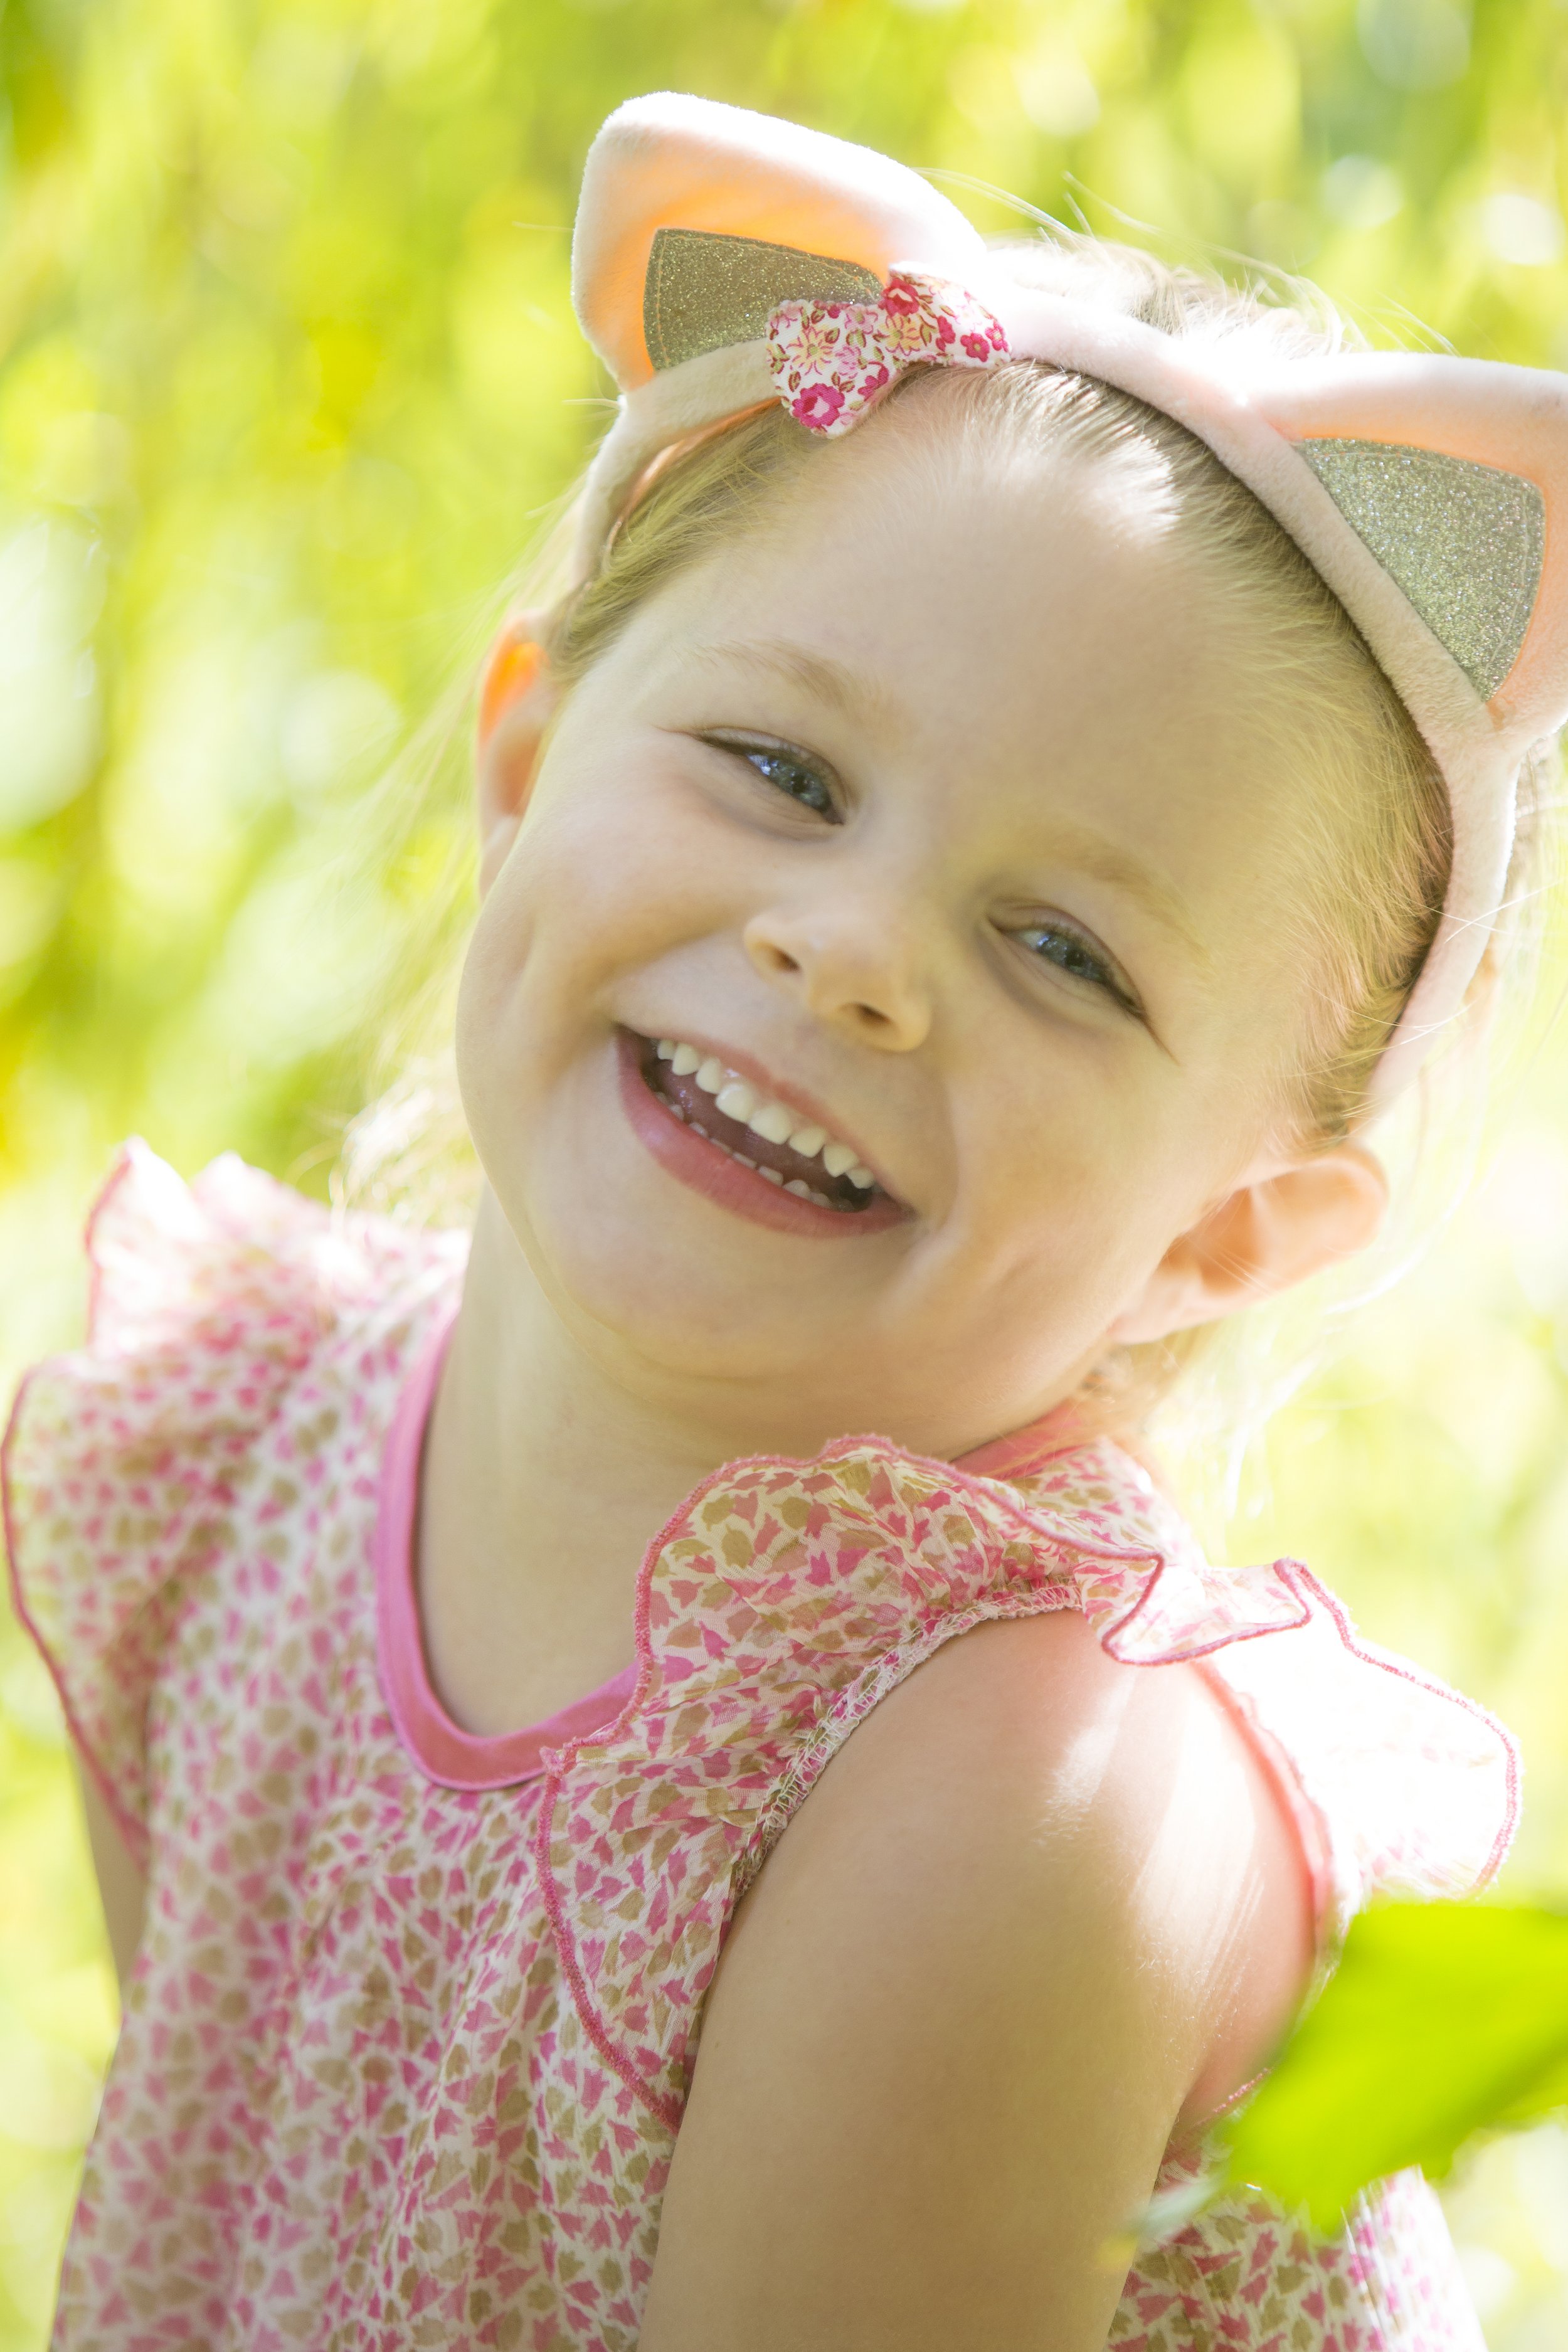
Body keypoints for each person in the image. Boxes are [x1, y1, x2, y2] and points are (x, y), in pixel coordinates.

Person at [4, 89, 1559, 2352]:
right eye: (782, 773)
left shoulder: (1011, 1800)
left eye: (1065, 952)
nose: (853, 955)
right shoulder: (241, 1451)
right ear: (527, 750)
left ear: (1227, 1231)